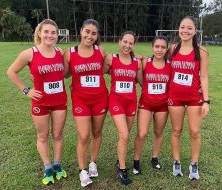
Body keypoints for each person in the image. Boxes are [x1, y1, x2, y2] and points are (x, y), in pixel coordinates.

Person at [6, 19, 67, 185]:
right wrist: (27, 90)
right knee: (42, 136)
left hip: (60, 100)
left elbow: (64, 73)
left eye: (53, 32)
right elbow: (11, 71)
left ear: (57, 35)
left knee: (57, 135)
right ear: (39, 33)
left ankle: (57, 165)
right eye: (46, 32)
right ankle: (47, 167)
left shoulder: (60, 52)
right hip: (40, 102)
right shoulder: (29, 53)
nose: (50, 35)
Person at [63, 19, 108, 188]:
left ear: (97, 36)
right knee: (83, 135)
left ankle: (93, 162)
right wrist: (36, 76)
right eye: (87, 32)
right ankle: (82, 170)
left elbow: (110, 67)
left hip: (100, 99)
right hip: (80, 99)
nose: (90, 36)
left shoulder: (101, 51)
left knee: (97, 132)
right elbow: (65, 74)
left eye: (94, 33)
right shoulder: (70, 52)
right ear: (81, 31)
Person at [168, 16, 209, 180]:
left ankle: (194, 163)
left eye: (189, 28)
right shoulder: (173, 49)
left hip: (194, 97)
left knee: (195, 131)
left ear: (195, 31)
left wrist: (206, 100)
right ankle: (176, 161)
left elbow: (204, 76)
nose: (185, 31)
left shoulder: (202, 51)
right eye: (182, 27)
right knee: (176, 130)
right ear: (178, 29)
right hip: (175, 97)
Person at [103, 31, 143, 185]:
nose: (127, 45)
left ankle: (120, 159)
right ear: (119, 42)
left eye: (131, 43)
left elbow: (142, 82)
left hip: (131, 102)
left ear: (134, 45)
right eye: (125, 42)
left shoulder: (136, 63)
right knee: (124, 134)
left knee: (124, 137)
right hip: (116, 101)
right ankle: (122, 168)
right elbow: (98, 73)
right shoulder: (111, 59)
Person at [132, 36, 171, 175]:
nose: (159, 50)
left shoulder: (170, 64)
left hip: (163, 105)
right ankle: (136, 160)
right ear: (152, 47)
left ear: (167, 49)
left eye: (163, 47)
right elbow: (141, 81)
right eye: (157, 46)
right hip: (146, 104)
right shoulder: (144, 62)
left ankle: (155, 158)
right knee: (142, 133)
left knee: (158, 132)